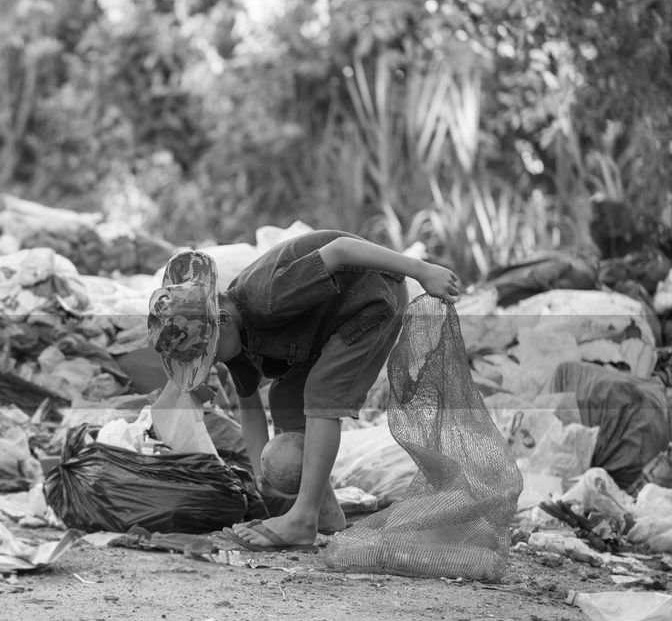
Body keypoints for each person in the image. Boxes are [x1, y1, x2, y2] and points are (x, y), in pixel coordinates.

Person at [148, 229, 461, 550]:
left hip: (373, 297)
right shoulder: (233, 339)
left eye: (210, 354)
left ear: (222, 320)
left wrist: (422, 271)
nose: (212, 362)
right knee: (283, 397)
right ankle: (325, 512)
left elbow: (341, 249)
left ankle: (303, 518)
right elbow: (249, 405)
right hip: (328, 321)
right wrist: (263, 483)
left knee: (321, 393)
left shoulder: (267, 296)